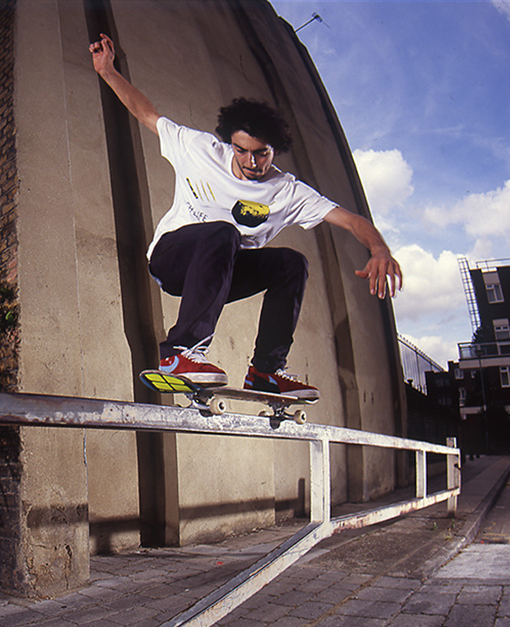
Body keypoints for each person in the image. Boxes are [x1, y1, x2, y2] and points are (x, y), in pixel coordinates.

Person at [89, 33, 402, 399]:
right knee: (223, 233)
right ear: (229, 144)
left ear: (275, 150)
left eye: (262, 154)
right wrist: (108, 71)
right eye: (242, 151)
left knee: (291, 263)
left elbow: (350, 220)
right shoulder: (200, 149)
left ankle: (266, 371)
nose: (252, 162)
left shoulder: (287, 190)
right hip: (172, 260)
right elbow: (147, 114)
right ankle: (180, 353)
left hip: (221, 272)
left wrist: (379, 249)